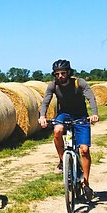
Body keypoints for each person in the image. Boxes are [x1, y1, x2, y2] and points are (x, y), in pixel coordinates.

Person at [38, 59, 99, 199]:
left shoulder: (79, 82)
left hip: (80, 115)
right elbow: (46, 101)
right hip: (64, 114)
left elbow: (91, 97)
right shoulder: (53, 86)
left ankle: (86, 183)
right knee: (57, 130)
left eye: (63, 73)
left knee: (84, 150)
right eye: (57, 74)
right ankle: (62, 161)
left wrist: (94, 114)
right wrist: (42, 116)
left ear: (69, 72)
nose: (60, 76)